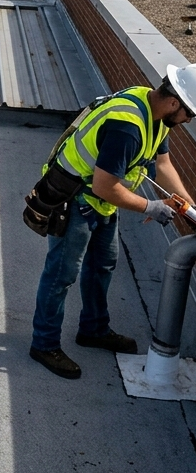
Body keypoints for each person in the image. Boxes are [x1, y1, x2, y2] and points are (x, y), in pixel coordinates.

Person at [29, 66, 196, 379]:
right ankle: (44, 344)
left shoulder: (153, 111)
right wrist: (151, 206)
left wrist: (189, 207)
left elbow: (163, 164)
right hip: (77, 200)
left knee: (103, 264)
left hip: (101, 204)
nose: (189, 121)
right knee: (61, 275)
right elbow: (104, 186)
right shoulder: (128, 126)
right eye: (191, 114)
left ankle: (93, 329)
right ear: (175, 103)